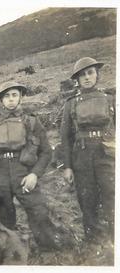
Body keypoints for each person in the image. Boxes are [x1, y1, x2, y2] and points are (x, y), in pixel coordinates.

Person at [0, 81, 61, 251]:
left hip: (23, 171)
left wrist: (34, 175)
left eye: (14, 95)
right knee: (3, 214)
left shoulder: (31, 122)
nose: (11, 99)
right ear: (0, 101)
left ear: (20, 97)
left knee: (38, 211)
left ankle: (49, 251)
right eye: (6, 96)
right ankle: (10, 250)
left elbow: (46, 152)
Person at [61, 57, 115, 243]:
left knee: (111, 192)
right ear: (76, 79)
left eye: (90, 72)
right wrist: (67, 166)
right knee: (87, 196)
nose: (86, 77)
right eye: (82, 75)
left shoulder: (110, 99)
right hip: (82, 155)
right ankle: (93, 239)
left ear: (97, 74)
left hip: (107, 153)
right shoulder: (71, 104)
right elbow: (65, 138)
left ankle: (114, 236)